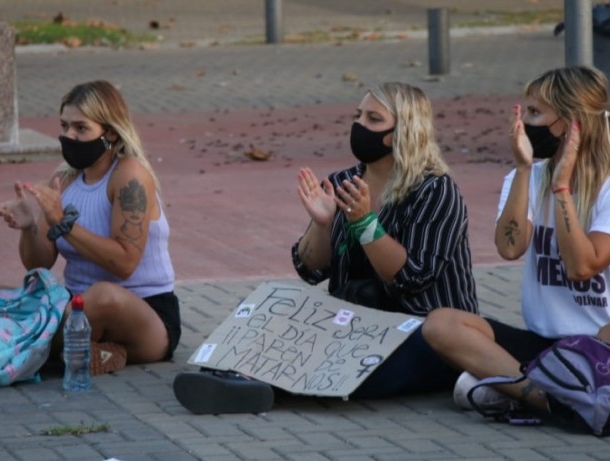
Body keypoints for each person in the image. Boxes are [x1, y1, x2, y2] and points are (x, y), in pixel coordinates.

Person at [173, 82, 478, 414]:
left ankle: (248, 381)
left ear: (404, 131)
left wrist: (364, 223)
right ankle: (235, 374)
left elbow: (409, 278)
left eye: (373, 119)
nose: (360, 126)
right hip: (357, 318)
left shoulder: (435, 190)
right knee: (274, 308)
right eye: (358, 116)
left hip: (425, 329)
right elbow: (310, 268)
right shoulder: (345, 181)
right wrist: (322, 224)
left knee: (340, 367)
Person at [422, 66, 610, 420]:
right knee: (441, 324)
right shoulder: (523, 178)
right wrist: (524, 169)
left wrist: (561, 188)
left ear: (572, 122)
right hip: (548, 345)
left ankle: (515, 386)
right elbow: (510, 247)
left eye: (536, 113)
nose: (524, 122)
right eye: (526, 111)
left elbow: (581, 266)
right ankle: (543, 397)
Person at [0, 80, 180, 375]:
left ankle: (19, 348)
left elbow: (124, 263)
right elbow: (39, 263)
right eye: (64, 126)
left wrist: (63, 223)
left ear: (110, 131)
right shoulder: (65, 179)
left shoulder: (130, 175)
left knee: (103, 296)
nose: (69, 136)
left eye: (81, 128)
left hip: (145, 314)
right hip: (72, 305)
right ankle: (76, 348)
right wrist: (28, 228)